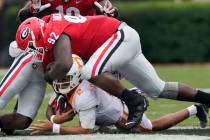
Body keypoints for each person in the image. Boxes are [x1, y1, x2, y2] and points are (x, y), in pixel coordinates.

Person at [15, 13, 210, 130]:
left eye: (34, 46)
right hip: (120, 44)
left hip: (119, 37)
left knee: (89, 70)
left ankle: (134, 101)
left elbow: (65, 64)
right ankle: (206, 99)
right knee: (158, 89)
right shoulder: (49, 26)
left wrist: (45, 78)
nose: (36, 51)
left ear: (40, 34)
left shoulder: (54, 30)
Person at [0, 0, 119, 135]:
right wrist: (30, 10)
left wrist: (110, 11)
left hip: (56, 65)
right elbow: (24, 17)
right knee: (2, 96)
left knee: (21, 121)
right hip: (35, 58)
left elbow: (108, 10)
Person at [29, 55, 208, 135]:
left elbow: (86, 130)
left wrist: (53, 127)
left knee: (153, 127)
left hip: (121, 112)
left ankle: (195, 109)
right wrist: (54, 120)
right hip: (103, 109)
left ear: (74, 75)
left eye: (63, 77)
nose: (58, 81)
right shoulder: (73, 86)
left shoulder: (83, 95)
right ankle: (195, 108)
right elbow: (57, 111)